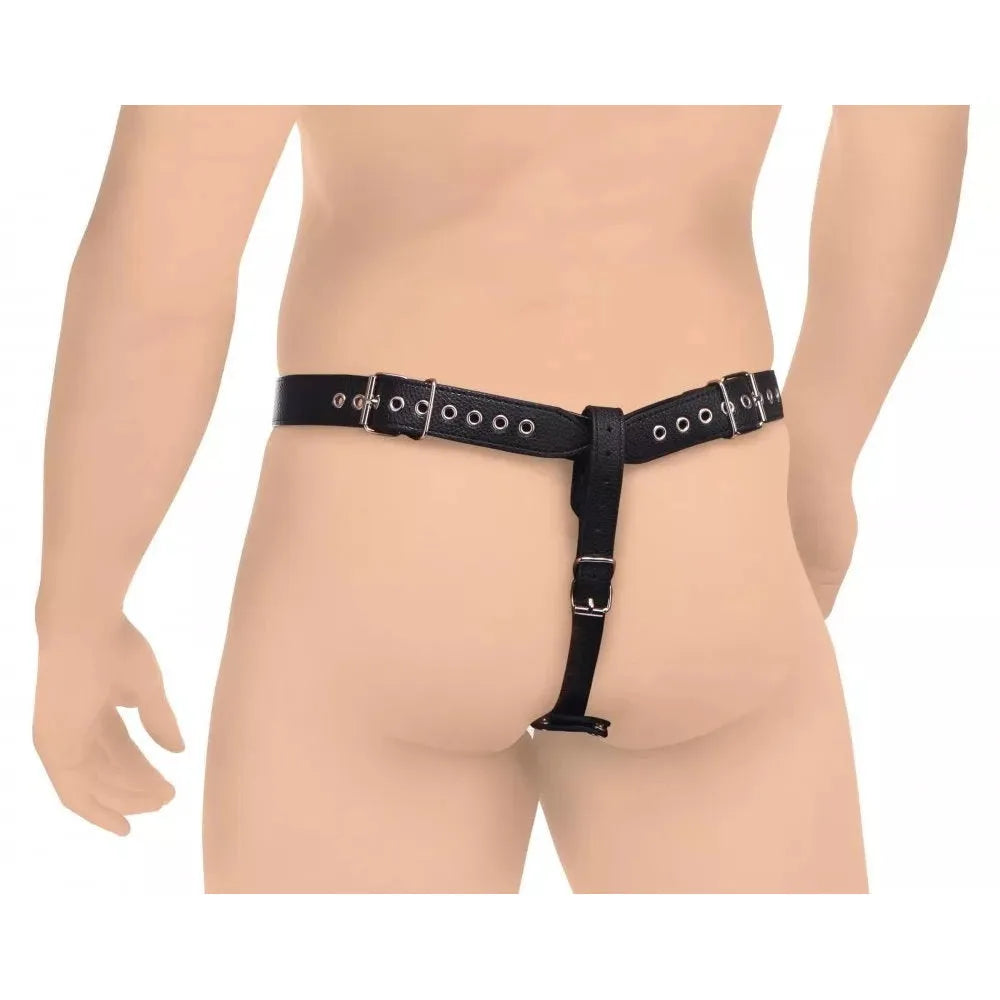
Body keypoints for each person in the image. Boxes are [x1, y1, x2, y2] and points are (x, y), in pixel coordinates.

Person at [32, 105, 968, 892]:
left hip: (397, 530)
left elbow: (160, 270)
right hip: (708, 515)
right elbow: (909, 128)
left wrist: (78, 615)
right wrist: (819, 464)